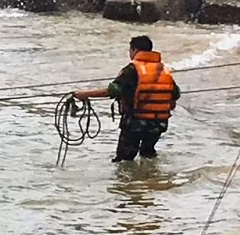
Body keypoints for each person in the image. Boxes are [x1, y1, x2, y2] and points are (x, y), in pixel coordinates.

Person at [73, 35, 181, 163]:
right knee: (148, 155)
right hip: (158, 124)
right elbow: (176, 93)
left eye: (130, 50)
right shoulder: (164, 70)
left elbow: (112, 91)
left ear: (134, 50)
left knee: (124, 160)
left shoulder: (131, 69)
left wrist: (85, 94)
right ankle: (150, 180)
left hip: (134, 123)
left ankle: (126, 182)